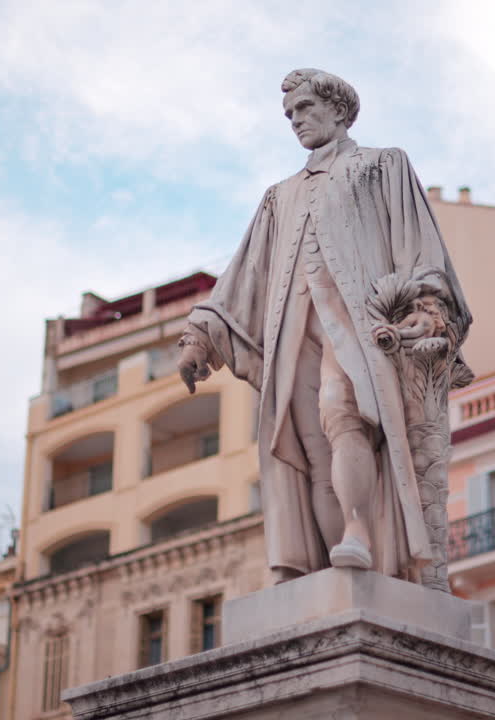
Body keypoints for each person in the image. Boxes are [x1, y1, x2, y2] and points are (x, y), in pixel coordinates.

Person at [177, 68, 472, 587]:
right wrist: (199, 337)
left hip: (356, 325)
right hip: (293, 330)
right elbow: (242, 275)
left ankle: (360, 530)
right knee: (310, 447)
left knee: (343, 411)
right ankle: (334, 564)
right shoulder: (279, 196)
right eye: (289, 114)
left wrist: (427, 302)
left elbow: (417, 243)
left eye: (305, 108)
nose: (295, 121)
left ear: (338, 110)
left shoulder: (382, 166)